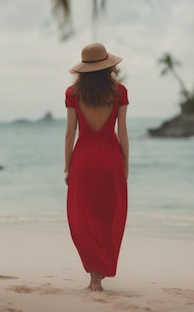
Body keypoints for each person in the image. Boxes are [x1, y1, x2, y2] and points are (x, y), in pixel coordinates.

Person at [64, 42, 129, 292]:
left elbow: (70, 133)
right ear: (108, 68)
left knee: (84, 216)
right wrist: (125, 165)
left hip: (83, 158)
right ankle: (98, 276)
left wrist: (67, 167)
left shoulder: (72, 94)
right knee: (109, 215)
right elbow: (122, 132)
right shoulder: (119, 92)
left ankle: (94, 278)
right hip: (111, 157)